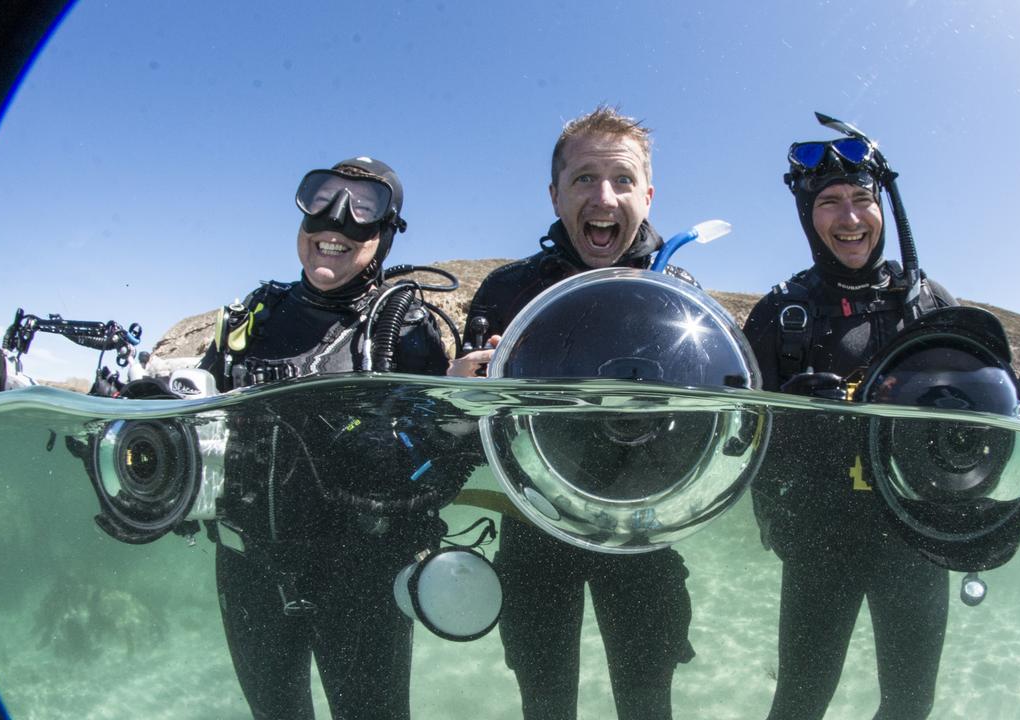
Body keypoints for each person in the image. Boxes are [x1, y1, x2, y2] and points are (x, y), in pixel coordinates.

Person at [448, 106, 695, 720]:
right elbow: (462, 434)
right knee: (544, 702)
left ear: (648, 194)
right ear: (555, 193)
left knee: (646, 704)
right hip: (534, 529)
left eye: (622, 180)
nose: (603, 196)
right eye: (584, 179)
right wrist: (456, 394)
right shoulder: (505, 291)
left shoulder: (682, 298)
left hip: (641, 532)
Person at [197, 157, 464, 720]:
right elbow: (196, 428)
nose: (335, 222)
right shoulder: (253, 319)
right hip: (249, 576)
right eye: (321, 200)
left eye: (363, 207)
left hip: (361, 582)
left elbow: (446, 470)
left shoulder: (406, 334)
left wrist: (439, 425)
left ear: (386, 232)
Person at [742, 126, 958, 719]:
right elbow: (739, 429)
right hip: (818, 543)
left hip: (915, 540)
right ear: (807, 217)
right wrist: (792, 411)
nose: (850, 216)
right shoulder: (783, 314)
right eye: (829, 202)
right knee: (800, 702)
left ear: (883, 206)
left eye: (862, 198)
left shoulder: (929, 303)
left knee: (910, 704)